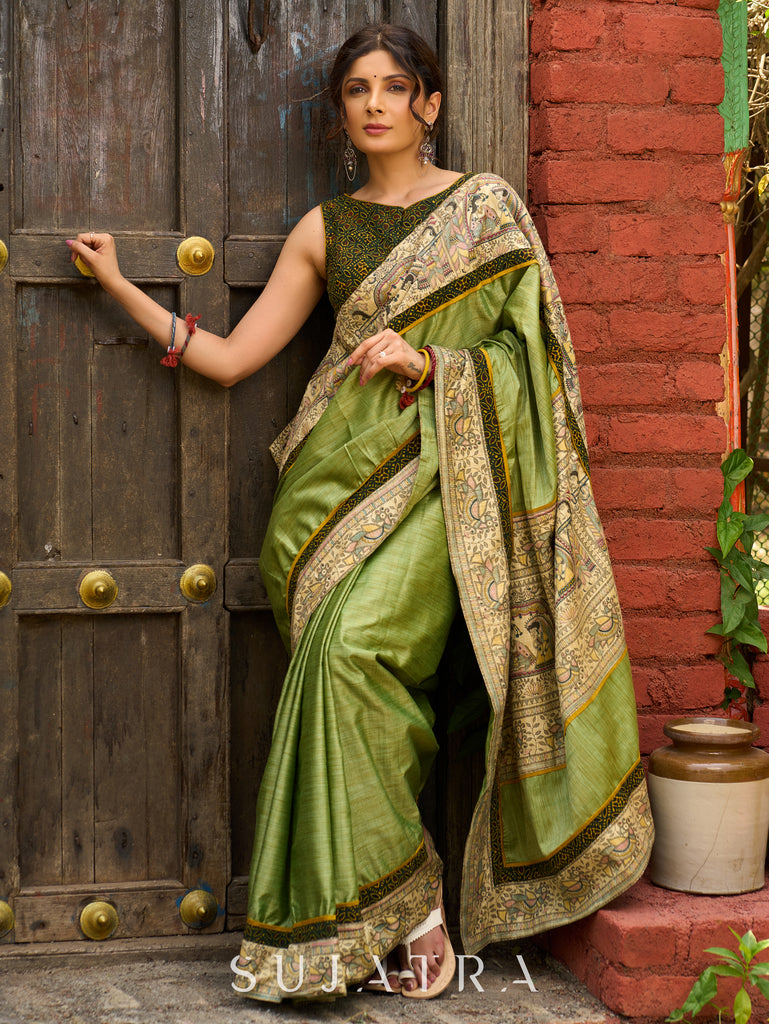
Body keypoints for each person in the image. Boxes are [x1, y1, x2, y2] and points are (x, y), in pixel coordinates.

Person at [68, 23, 653, 1004]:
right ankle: (405, 915)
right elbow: (228, 358)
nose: (375, 104)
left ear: (429, 101)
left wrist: (434, 365)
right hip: (329, 509)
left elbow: (541, 371)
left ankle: (399, 909)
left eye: (394, 86)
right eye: (355, 90)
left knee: (353, 656)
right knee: (343, 675)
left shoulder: (485, 211)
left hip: (449, 494)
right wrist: (124, 286)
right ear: (341, 111)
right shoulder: (325, 228)